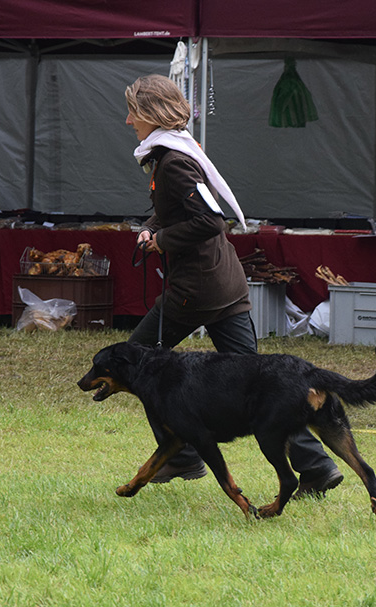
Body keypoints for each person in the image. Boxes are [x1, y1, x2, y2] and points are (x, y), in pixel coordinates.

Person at [124, 74, 343, 497]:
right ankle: (316, 467)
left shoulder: (175, 162)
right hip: (225, 286)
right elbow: (178, 211)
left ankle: (183, 455)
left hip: (198, 289)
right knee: (263, 386)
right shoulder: (175, 153)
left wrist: (162, 240)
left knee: (138, 365)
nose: (127, 120)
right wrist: (151, 227)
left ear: (151, 114)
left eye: (133, 110)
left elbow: (210, 221)